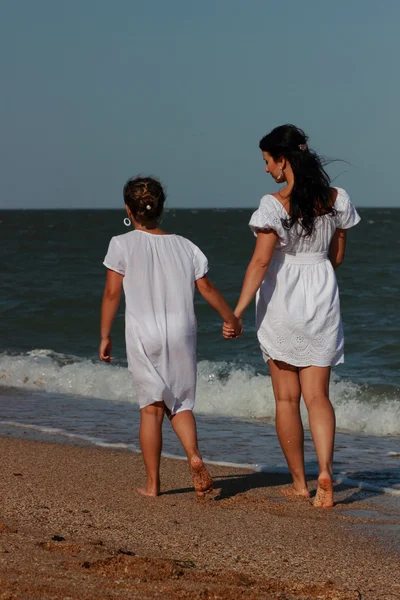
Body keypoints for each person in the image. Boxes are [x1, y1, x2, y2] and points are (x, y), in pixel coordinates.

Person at [223, 125, 360, 508]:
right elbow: (338, 258)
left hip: (283, 299)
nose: (267, 170)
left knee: (286, 400)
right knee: (318, 397)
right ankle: (326, 474)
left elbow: (261, 261)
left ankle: (300, 484)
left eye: (268, 162)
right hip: (321, 297)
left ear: (283, 160)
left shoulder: (273, 205)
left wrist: (235, 312)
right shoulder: (337, 199)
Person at [100, 176, 241, 498]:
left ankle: (153, 485)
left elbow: (111, 293)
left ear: (128, 209)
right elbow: (206, 288)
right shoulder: (185, 245)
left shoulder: (121, 244)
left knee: (151, 408)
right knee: (181, 404)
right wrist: (230, 318)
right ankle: (193, 455)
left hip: (143, 333)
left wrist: (105, 335)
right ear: (161, 208)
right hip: (182, 330)